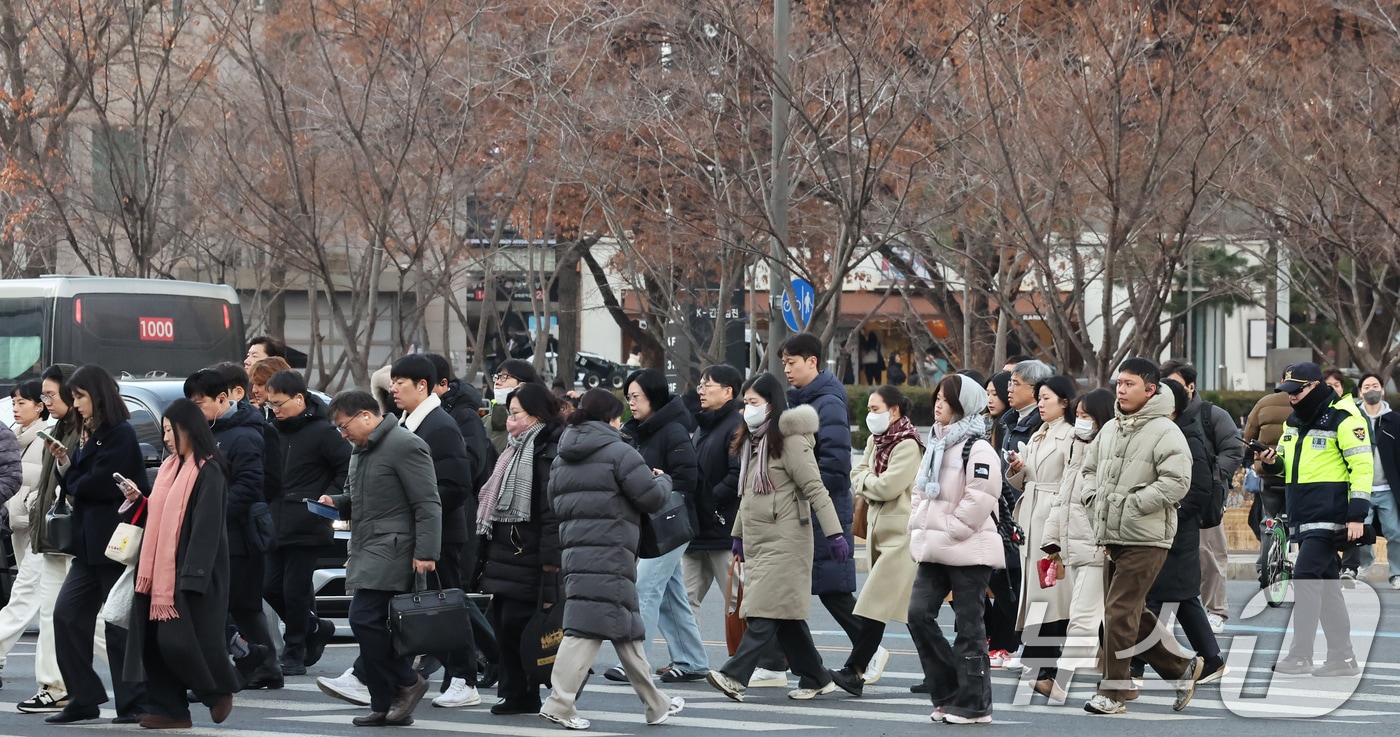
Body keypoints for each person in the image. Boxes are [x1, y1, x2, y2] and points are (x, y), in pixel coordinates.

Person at [704, 374, 861, 703]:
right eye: (745, 403)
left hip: (788, 540)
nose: (747, 410)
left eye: (754, 403)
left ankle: (735, 676)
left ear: (772, 405)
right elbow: (746, 495)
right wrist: (738, 536)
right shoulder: (752, 442)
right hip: (760, 541)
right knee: (785, 616)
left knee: (764, 610)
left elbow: (815, 488)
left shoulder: (791, 440)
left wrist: (834, 534)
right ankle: (817, 676)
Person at [542, 389, 685, 729]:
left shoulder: (563, 454)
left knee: (625, 628)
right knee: (585, 630)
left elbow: (555, 503)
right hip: (612, 549)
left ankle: (656, 703)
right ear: (609, 418)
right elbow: (650, 498)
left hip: (577, 550)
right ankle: (560, 703)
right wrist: (663, 479)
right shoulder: (620, 452)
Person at [1080, 358, 1202, 716]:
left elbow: (1177, 482)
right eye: (1119, 383)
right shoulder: (1111, 429)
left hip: (1147, 536)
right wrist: (1092, 499)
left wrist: (1132, 505)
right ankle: (1181, 668)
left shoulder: (1166, 431)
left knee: (1119, 611)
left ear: (1151, 389)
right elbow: (1089, 470)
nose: (1121, 389)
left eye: (1130, 383)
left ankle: (1114, 691)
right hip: (1111, 534)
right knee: (1127, 612)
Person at [319, 390, 442, 727]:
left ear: (365, 416)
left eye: (345, 426)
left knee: (363, 618)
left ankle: (407, 682)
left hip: (395, 547)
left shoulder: (404, 444)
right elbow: (360, 497)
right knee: (371, 622)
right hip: (368, 545)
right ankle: (385, 701)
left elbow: (427, 502)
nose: (344, 434)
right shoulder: (360, 451)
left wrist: (427, 553)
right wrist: (337, 502)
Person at [122, 399, 240, 729]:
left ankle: (215, 691)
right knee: (153, 645)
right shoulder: (170, 468)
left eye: (169, 430)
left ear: (187, 429)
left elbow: (206, 527)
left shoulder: (209, 468)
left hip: (190, 573)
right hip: (157, 572)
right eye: (163, 431)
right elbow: (163, 516)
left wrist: (193, 575)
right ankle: (171, 710)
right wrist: (139, 501)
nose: (166, 438)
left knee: (178, 643)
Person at [47, 364, 151, 724]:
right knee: (66, 616)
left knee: (118, 623)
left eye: (79, 396)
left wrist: (73, 476)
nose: (75, 404)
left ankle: (133, 701)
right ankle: (84, 695)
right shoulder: (89, 434)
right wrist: (67, 465)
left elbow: (96, 484)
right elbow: (80, 479)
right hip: (88, 546)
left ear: (98, 395)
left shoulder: (119, 433)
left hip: (116, 541)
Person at [1260, 362, 1372, 677]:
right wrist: (1272, 462)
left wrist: (1356, 517)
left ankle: (1301, 655)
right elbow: (1286, 467)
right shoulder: (1294, 422)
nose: (1291, 398)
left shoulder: (1346, 419)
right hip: (1303, 514)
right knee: (1327, 586)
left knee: (1307, 576)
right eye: (1287, 392)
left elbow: (1362, 469)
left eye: (1296, 391)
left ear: (1315, 386)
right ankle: (1342, 658)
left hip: (1331, 516)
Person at [597, 369, 708, 684]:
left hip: (672, 522)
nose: (631, 402)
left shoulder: (673, 429)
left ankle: (635, 662)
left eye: (637, 396)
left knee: (644, 587)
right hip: (653, 523)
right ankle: (692, 661)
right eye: (629, 396)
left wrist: (662, 478)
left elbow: (689, 479)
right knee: (672, 595)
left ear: (654, 397)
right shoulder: (639, 431)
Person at [906, 374, 1004, 724]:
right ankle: (950, 692)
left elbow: (981, 498)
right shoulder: (935, 443)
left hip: (969, 550)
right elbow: (920, 492)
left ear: (964, 406)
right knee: (917, 615)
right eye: (937, 398)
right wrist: (919, 524)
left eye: (946, 400)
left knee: (969, 629)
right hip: (934, 548)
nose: (938, 405)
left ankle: (974, 704)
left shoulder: (977, 448)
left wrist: (948, 529)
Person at [388, 355, 479, 708]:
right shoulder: (407, 421)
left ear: (422, 386)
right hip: (420, 529)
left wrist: (415, 505)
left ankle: (464, 679)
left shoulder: (439, 425)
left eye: (400, 382)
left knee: (449, 609)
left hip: (442, 533)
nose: (393, 388)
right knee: (430, 609)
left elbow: (457, 485)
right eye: (393, 381)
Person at [183, 369, 280, 687]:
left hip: (238, 536)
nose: (194, 411)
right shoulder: (210, 432)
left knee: (222, 605)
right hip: (224, 533)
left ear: (223, 399)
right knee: (243, 606)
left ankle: (230, 669)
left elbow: (251, 487)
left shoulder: (246, 434)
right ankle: (265, 666)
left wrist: (212, 514)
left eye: (199, 404)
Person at [1129, 379, 1228, 687]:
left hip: (1175, 530)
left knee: (1151, 598)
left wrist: (1169, 514)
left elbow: (1198, 489)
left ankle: (1133, 665)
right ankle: (1211, 660)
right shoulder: (1168, 431)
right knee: (1183, 598)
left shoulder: (1188, 437)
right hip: (1169, 529)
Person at [476, 383, 564, 715]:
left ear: (537, 415)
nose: (509, 422)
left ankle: (534, 690)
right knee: (505, 626)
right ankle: (516, 692)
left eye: (515, 415)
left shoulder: (547, 452)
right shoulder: (515, 450)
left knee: (524, 628)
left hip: (531, 557)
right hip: (507, 555)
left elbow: (551, 511)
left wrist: (550, 561)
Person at [779, 335, 860, 670]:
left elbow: (836, 467)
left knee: (832, 590)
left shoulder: (827, 403)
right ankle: (780, 661)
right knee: (789, 591)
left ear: (812, 361)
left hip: (824, 506)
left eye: (791, 362)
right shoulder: (806, 400)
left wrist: (805, 488)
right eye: (783, 362)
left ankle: (867, 648)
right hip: (814, 506)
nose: (786, 369)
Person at [263, 370, 351, 678]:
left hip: (309, 521)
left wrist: (331, 496)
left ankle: (294, 650)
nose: (274, 409)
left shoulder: (323, 431)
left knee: (294, 590)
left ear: (299, 399)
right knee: (269, 587)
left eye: (279, 403)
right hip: (274, 522)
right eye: (270, 404)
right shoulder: (271, 430)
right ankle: (315, 626)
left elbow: (346, 466)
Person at [839, 385, 923, 688]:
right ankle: (942, 671)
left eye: (875, 409)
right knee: (914, 611)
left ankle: (855, 671)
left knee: (874, 603)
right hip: (879, 530)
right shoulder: (879, 440)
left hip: (899, 535)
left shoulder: (907, 444)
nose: (869, 415)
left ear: (894, 410)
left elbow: (888, 487)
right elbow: (859, 470)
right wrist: (866, 479)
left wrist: (864, 481)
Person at [13, 365, 80, 713]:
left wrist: (66, 463)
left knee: (98, 618)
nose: (46, 401)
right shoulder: (57, 429)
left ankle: (143, 671)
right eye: (43, 395)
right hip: (50, 535)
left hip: (77, 538)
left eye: (50, 395)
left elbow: (84, 482)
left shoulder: (87, 431)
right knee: (51, 612)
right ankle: (53, 686)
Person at [1160, 360, 1244, 634]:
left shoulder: (1211, 414)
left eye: (1175, 384)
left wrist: (1213, 477)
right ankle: (1168, 609)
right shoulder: (1159, 417)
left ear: (1190, 386)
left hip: (1205, 499)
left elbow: (1233, 449)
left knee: (1210, 555)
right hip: (1169, 497)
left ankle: (1215, 610)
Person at [1008, 375, 1077, 698]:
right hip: (1032, 516)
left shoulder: (1071, 435)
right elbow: (1028, 480)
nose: (1040, 403)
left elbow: (1069, 480)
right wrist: (1018, 468)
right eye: (1039, 397)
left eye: (1046, 397)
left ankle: (1046, 663)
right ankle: (1038, 659)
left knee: (1052, 594)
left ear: (1064, 401)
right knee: (1038, 592)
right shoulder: (1039, 433)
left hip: (1053, 518)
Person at [1042, 388, 1114, 679]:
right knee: (1102, 614)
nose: (1081, 421)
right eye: (1079, 415)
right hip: (1073, 542)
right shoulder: (1075, 444)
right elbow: (1064, 494)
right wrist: (1052, 537)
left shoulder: (1110, 447)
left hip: (1097, 543)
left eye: (1087, 416)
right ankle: (1171, 665)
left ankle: (1063, 678)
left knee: (1083, 615)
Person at [987, 359, 1052, 670]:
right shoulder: (1007, 421)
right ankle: (1006, 643)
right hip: (1005, 509)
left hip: (1030, 510)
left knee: (1020, 578)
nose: (1008, 389)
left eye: (1015, 384)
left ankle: (1016, 645)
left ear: (1036, 390)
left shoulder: (1041, 424)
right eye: (1008, 383)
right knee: (1005, 577)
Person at [684, 364, 744, 610]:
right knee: (685, 601)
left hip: (724, 531)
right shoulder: (702, 427)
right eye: (700, 385)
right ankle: (689, 651)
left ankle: (755, 649)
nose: (702, 391)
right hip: (696, 531)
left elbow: (736, 475)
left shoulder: (736, 427)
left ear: (728, 391)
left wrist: (707, 502)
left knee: (738, 600)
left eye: (707, 385)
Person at [1348, 373, 1400, 588]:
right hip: (1361, 489)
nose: (1371, 389)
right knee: (1360, 531)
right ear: (1360, 392)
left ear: (1383, 390)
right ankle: (1362, 567)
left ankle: (1396, 573)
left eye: (1375, 385)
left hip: (1388, 487)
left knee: (1395, 532)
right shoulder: (1352, 419)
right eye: (1367, 386)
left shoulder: (1394, 420)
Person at [1244, 388, 1293, 579]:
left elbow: (1248, 437)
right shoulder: (1310, 404)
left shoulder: (1263, 403)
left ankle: (1263, 565)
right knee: (1300, 525)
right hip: (1298, 475)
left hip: (1267, 472)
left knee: (1268, 520)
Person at [488, 359, 545, 451]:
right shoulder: (486, 421)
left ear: (522, 385)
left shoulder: (536, 422)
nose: (497, 382)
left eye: (504, 377)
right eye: (497, 377)